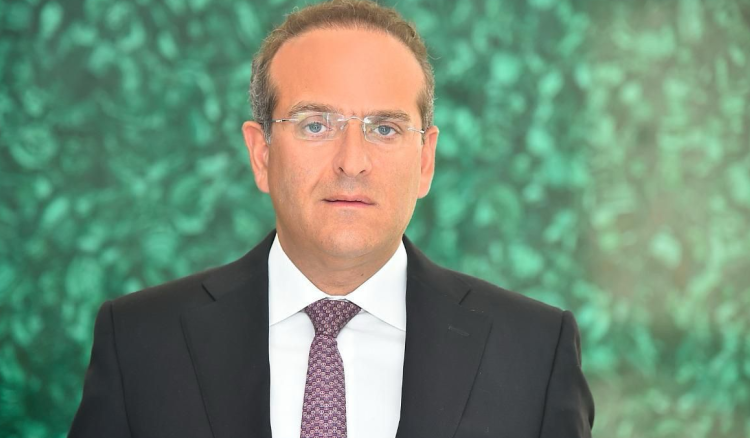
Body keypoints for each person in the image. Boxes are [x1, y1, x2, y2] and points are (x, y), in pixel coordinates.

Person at [69, 0, 595, 437]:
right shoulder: (141, 341)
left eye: (385, 129)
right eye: (316, 125)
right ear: (261, 154)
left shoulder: (534, 351)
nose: (352, 161)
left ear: (425, 161)